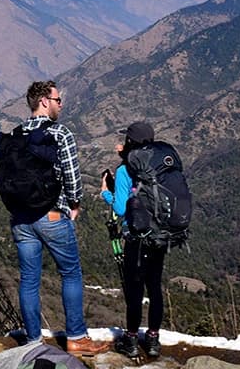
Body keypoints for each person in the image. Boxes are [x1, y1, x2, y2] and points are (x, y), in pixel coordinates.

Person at [10, 80, 109, 356]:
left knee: (29, 279)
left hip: (20, 219)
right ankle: (76, 337)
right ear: (44, 101)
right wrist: (74, 204)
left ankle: (32, 342)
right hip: (52, 215)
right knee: (71, 273)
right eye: (58, 100)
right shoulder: (59, 133)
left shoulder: (15, 134)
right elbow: (72, 176)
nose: (61, 104)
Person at [100, 121, 165, 359]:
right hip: (160, 235)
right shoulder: (160, 165)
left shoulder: (125, 170)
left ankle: (131, 339)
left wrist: (106, 192)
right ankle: (154, 339)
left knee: (134, 290)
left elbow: (119, 207)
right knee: (155, 287)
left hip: (136, 237)